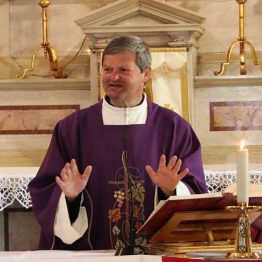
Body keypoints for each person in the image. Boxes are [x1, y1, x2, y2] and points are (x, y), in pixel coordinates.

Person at [28, 35, 208, 251]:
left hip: (153, 254)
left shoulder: (174, 128)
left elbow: (197, 192)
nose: (113, 77)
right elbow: (46, 189)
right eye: (107, 69)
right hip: (92, 253)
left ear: (146, 74)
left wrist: (173, 190)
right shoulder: (72, 128)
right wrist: (70, 198)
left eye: (123, 70)